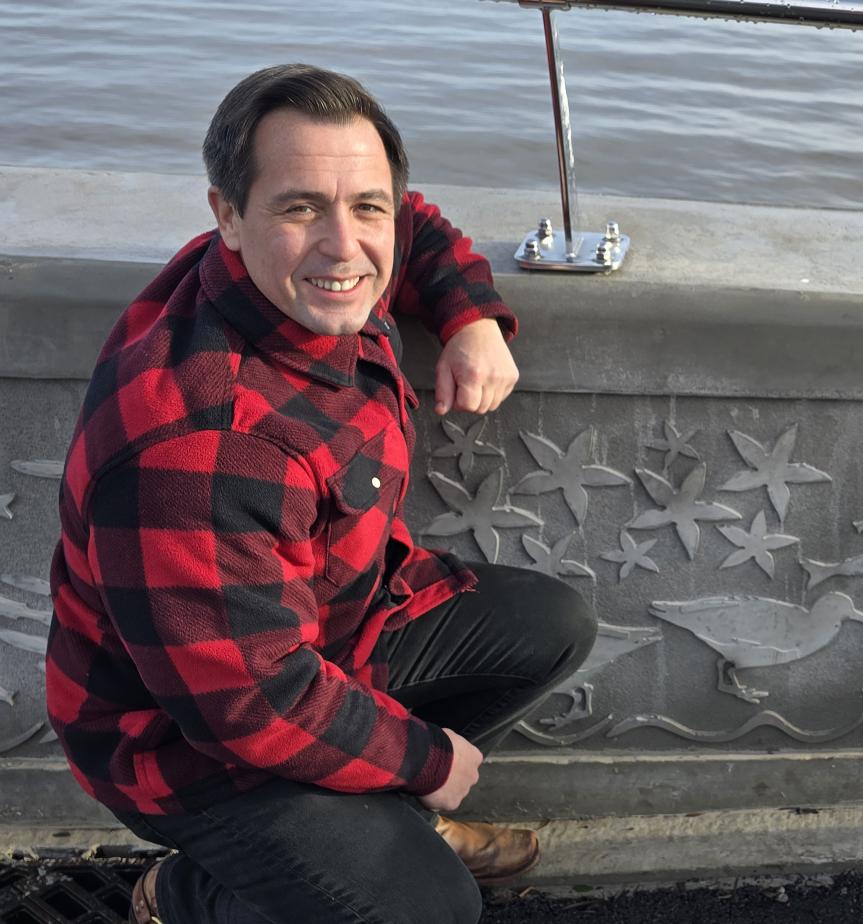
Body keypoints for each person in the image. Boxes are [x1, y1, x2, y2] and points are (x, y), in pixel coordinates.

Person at [43, 64, 598, 924]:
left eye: (363, 205)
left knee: (552, 625)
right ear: (227, 215)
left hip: (323, 633)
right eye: (301, 208)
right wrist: (423, 761)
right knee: (429, 909)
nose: (346, 246)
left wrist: (469, 315)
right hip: (190, 738)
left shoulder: (297, 272)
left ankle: (377, 828)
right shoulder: (202, 447)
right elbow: (249, 705)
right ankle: (185, 895)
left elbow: (410, 224)